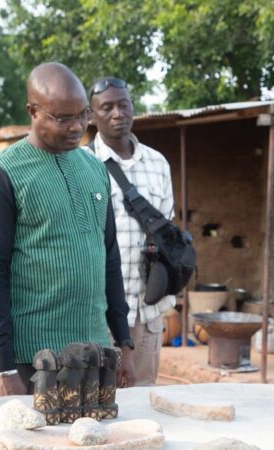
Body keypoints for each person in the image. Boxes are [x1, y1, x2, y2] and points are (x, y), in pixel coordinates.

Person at [0, 63, 135, 395]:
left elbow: (109, 259)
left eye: (83, 115)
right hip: (35, 360)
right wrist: (5, 368)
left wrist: (124, 342)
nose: (77, 127)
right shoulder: (1, 176)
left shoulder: (94, 168)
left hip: (95, 352)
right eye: (62, 118)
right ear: (32, 111)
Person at [87, 77, 176, 386]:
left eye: (123, 105)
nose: (117, 114)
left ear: (133, 108)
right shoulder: (83, 164)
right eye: (107, 107)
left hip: (147, 311)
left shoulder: (158, 163)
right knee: (99, 399)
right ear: (91, 115)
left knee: (143, 399)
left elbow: (168, 231)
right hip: (101, 311)